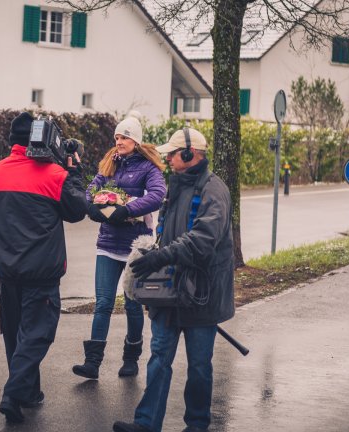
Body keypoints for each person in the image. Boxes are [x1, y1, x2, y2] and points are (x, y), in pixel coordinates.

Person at [112, 128, 235, 432]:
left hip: (202, 294)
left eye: (172, 153)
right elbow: (169, 233)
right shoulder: (175, 186)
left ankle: (196, 425)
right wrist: (150, 254)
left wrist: (162, 257)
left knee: (198, 367)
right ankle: (146, 424)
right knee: (158, 359)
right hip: (169, 293)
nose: (166, 158)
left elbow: (204, 239)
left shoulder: (214, 190)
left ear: (190, 155)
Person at [0, 112, 87, 424]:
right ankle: (13, 393)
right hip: (41, 272)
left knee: (16, 334)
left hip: (6, 271)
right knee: (37, 333)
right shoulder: (54, 175)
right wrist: (76, 171)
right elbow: (78, 210)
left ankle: (29, 393)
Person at [72, 116, 166, 380]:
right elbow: (93, 188)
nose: (118, 141)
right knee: (103, 303)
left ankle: (131, 358)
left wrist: (126, 209)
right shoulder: (110, 164)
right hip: (108, 243)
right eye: (116, 137)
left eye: (123, 137)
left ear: (135, 141)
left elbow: (157, 195)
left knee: (133, 305)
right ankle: (92, 363)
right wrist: (93, 205)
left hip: (135, 245)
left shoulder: (149, 168)